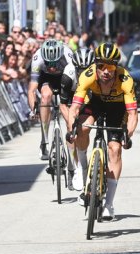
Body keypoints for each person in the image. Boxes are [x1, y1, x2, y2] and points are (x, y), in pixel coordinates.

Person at [67, 42, 138, 220]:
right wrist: (71, 129)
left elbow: (132, 113)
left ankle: (109, 205)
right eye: (101, 66)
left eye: (111, 67)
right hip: (97, 103)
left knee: (115, 149)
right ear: (96, 66)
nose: (106, 71)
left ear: (116, 67)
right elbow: (74, 108)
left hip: (117, 108)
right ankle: (83, 167)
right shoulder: (87, 75)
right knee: (82, 128)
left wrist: (126, 136)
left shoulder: (125, 79)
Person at [27, 38, 74, 160]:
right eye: (49, 64)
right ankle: (44, 140)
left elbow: (76, 84)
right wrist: (33, 109)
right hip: (46, 78)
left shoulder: (68, 56)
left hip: (65, 76)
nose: (52, 67)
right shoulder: (38, 58)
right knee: (46, 96)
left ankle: (72, 140)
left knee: (69, 112)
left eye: (54, 64)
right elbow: (32, 89)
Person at [60, 48, 94, 190]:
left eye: (86, 69)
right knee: (72, 131)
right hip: (71, 98)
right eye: (80, 69)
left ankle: (82, 162)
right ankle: (75, 166)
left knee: (83, 129)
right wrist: (70, 124)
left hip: (89, 98)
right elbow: (62, 104)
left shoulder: (96, 73)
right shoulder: (68, 73)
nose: (83, 72)